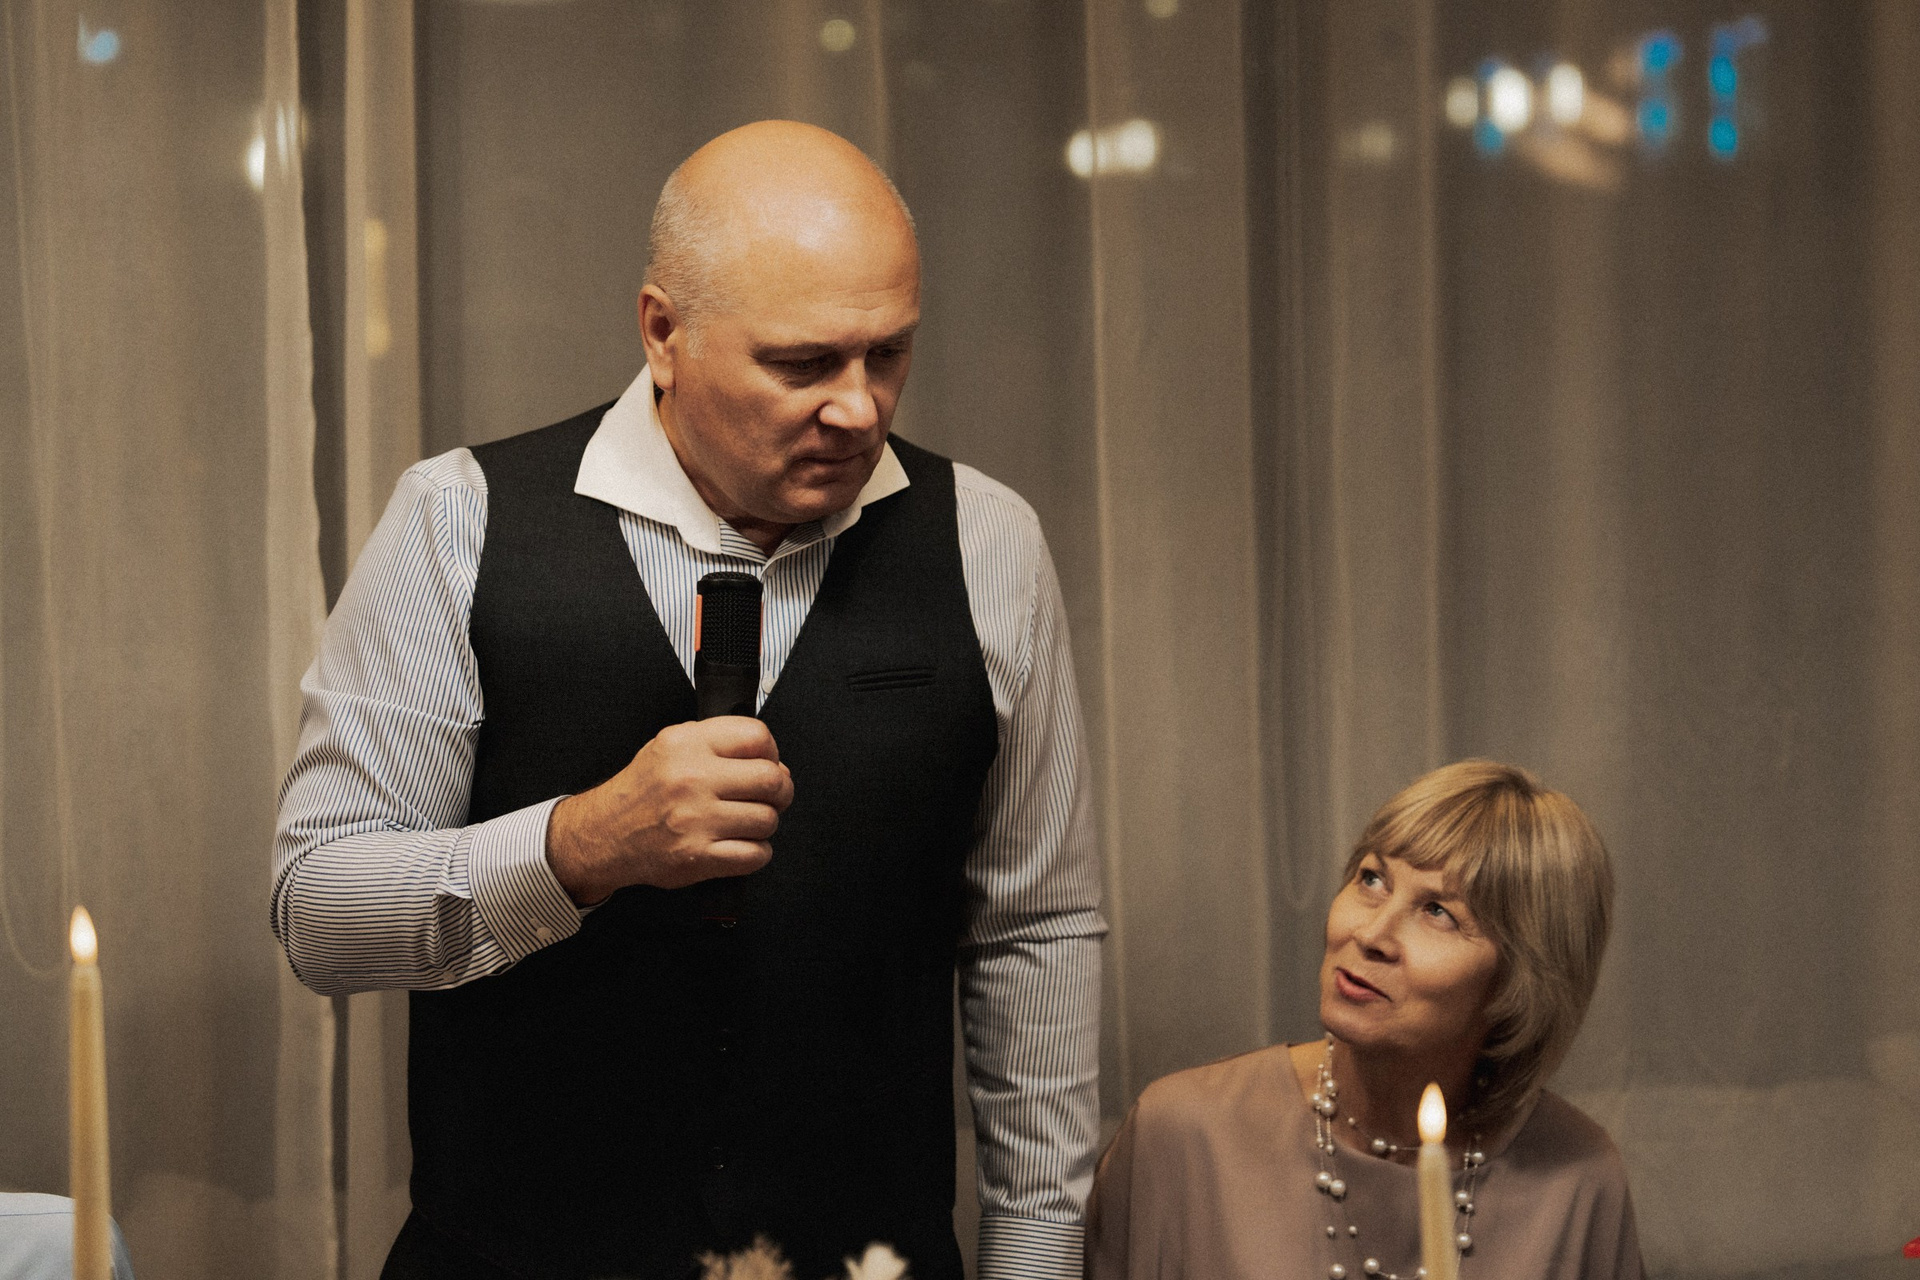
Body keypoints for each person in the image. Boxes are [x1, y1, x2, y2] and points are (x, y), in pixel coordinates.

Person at [272, 121, 1104, 1280]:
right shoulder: (458, 522)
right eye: (804, 364)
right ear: (663, 332)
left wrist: (1035, 1257)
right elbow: (320, 908)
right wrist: (579, 844)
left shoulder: (988, 542)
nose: (861, 408)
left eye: (888, 354)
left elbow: (1034, 929)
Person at [1084, 760, 1642, 1280]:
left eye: (1438, 912)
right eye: (1372, 879)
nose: (1371, 934)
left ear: (1519, 983)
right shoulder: (1182, 1134)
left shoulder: (1580, 1179)